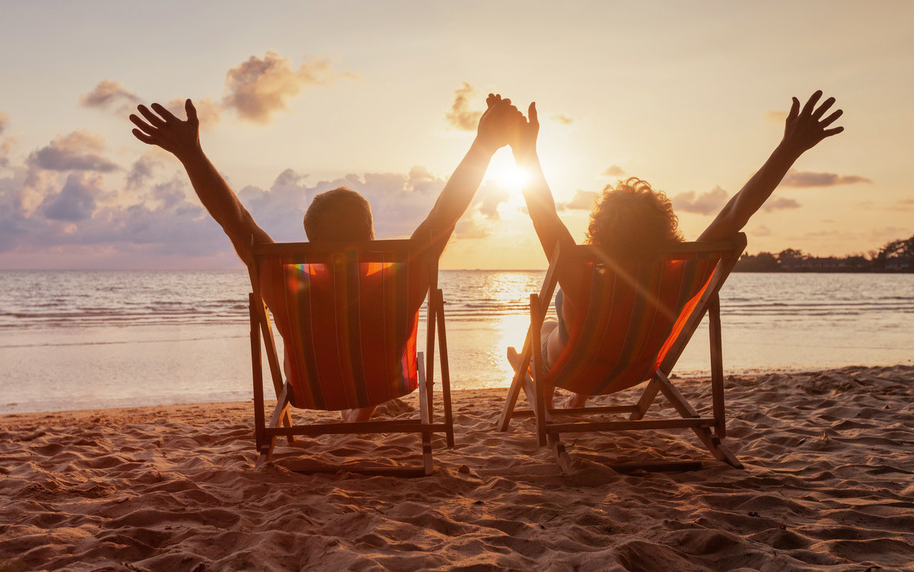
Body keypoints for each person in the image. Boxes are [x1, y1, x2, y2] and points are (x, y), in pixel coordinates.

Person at [129, 94, 524, 421]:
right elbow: (446, 211)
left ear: (310, 243)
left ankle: (356, 412)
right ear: (370, 236)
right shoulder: (403, 275)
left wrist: (192, 155)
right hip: (389, 382)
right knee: (375, 345)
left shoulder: (284, 280)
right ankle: (361, 409)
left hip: (310, 391)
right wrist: (483, 145)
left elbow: (236, 220)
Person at [510, 91, 845, 408]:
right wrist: (789, 149)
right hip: (635, 373)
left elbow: (545, 215)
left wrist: (525, 152)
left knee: (544, 324)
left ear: (599, 232)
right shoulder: (682, 275)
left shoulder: (581, 277)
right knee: (572, 323)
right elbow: (735, 212)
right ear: (664, 230)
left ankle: (543, 389)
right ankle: (575, 395)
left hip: (571, 371)